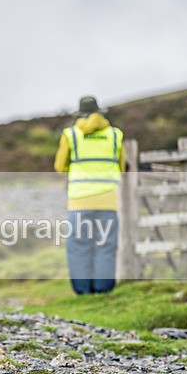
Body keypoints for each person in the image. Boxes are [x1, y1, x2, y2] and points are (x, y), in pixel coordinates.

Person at [54, 96, 125, 295]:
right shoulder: (115, 134)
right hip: (108, 200)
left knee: (78, 246)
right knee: (106, 245)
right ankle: (103, 289)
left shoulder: (70, 134)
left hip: (79, 200)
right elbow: (121, 166)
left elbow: (60, 167)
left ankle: (83, 291)